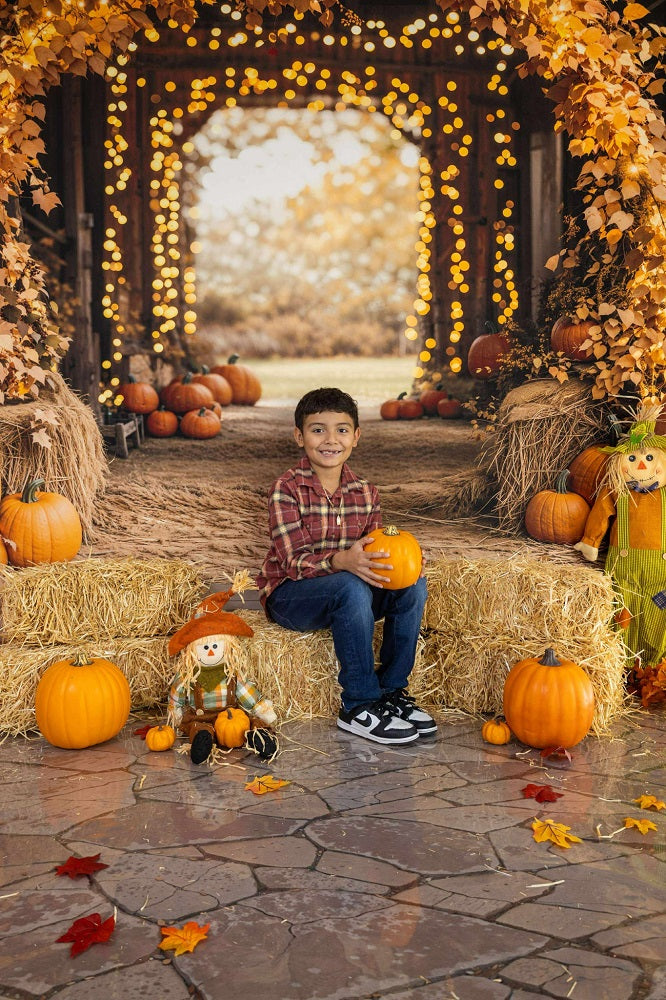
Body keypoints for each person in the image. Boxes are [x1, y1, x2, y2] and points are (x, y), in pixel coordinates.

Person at [255, 386, 433, 746]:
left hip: (349, 596)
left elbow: (377, 550)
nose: (330, 439)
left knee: (413, 585)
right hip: (292, 597)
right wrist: (341, 562)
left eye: (341, 430)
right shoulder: (286, 489)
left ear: (355, 437)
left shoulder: (366, 492)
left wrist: (403, 563)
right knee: (349, 585)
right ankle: (358, 704)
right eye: (318, 429)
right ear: (299, 437)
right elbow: (292, 563)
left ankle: (391, 693)